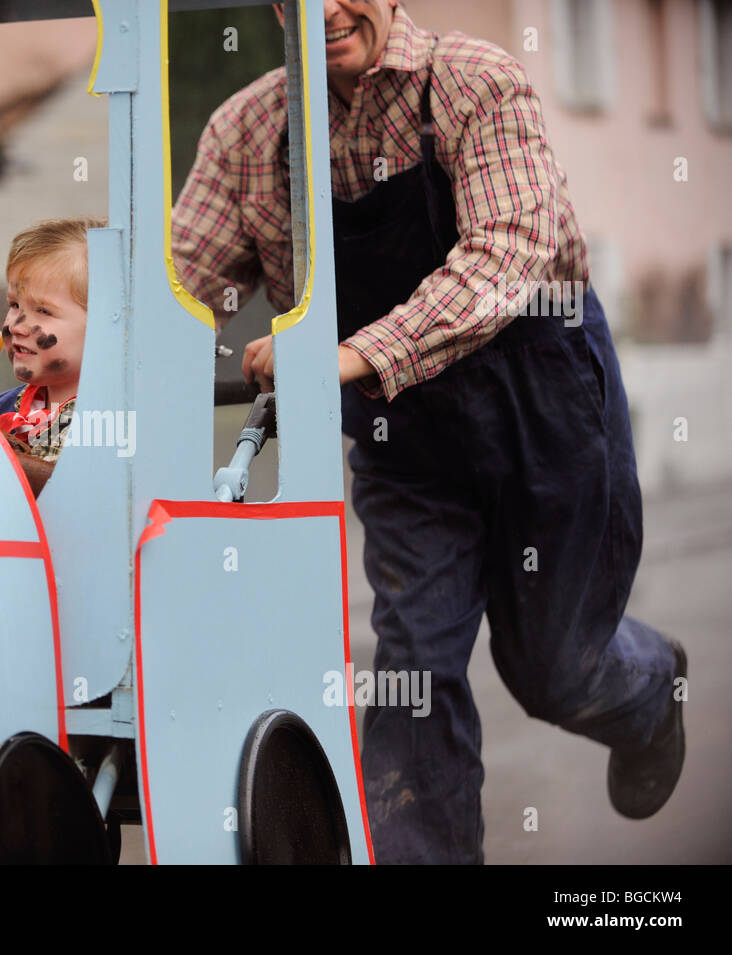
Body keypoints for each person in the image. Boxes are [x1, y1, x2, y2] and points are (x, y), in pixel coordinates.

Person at [172, 0, 685, 864]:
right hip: (403, 447)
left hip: (544, 417)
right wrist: (65, 347)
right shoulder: (247, 133)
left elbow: (506, 252)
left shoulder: (476, 84)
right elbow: (174, 289)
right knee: (412, 669)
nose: (328, 8)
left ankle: (646, 692)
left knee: (554, 669)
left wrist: (348, 354)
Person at [0, 217, 102, 495]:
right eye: (14, 304)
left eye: (43, 311)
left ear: (108, 324)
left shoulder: (117, 421)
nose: (15, 325)